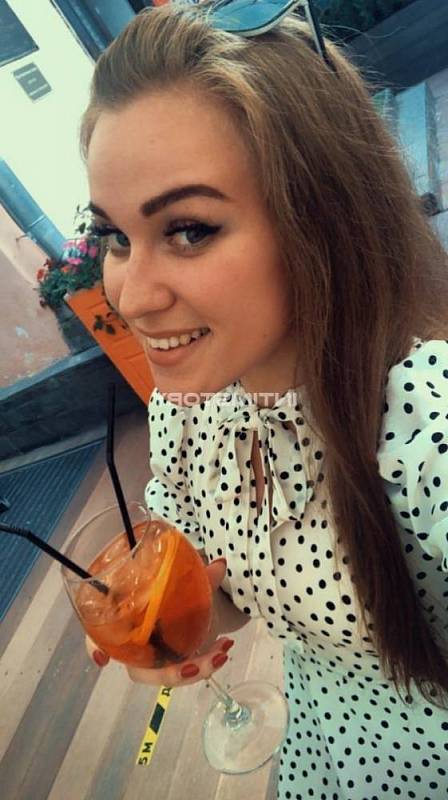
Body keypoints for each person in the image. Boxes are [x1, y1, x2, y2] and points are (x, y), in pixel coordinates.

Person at [81, 3, 448, 797]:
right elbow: (228, 587)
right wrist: (179, 623)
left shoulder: (428, 434)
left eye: (188, 229)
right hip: (319, 738)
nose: (129, 296)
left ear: (324, 218)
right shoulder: (190, 405)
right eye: (113, 235)